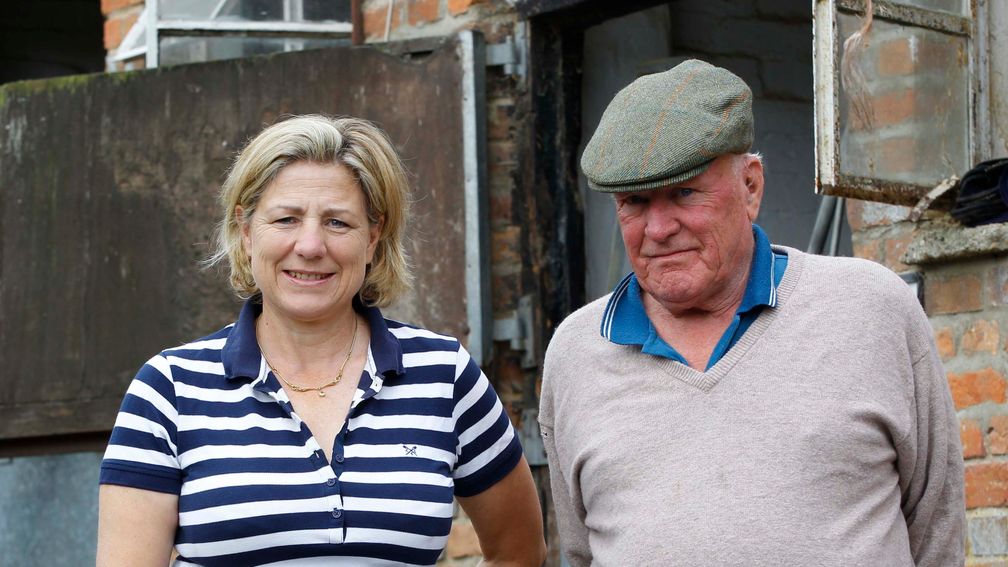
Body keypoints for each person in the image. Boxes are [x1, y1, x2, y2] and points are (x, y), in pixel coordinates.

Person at [540, 59, 964, 566]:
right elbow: (581, 553)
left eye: (684, 192)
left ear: (751, 186)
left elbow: (936, 528)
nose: (658, 228)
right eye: (634, 201)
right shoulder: (577, 352)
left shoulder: (870, 308)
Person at [97, 115, 546, 566]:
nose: (311, 245)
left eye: (337, 223)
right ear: (247, 231)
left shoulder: (445, 377)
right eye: (287, 218)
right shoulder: (170, 390)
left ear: (373, 238)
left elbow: (520, 553)